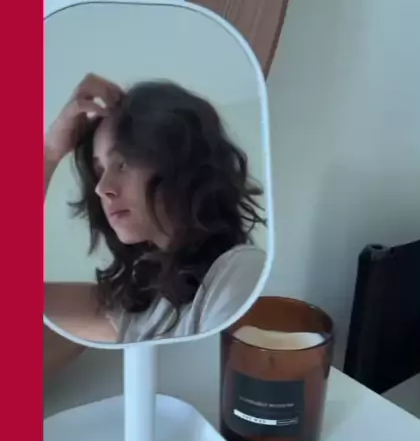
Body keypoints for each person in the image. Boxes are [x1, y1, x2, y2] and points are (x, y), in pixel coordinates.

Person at [44, 74, 267, 344]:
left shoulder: (238, 272)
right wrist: (49, 151)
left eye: (123, 164)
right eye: (100, 170)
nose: (102, 188)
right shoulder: (137, 302)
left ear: (178, 162)